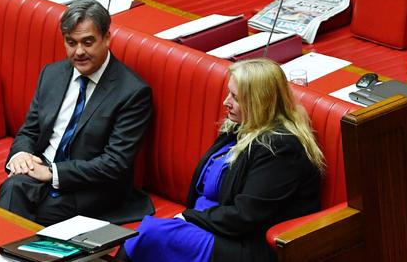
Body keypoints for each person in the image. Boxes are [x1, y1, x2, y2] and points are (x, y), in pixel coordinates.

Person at [120, 58, 325, 262]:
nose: (225, 101)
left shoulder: (280, 148)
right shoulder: (239, 127)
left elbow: (246, 215)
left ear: (258, 102)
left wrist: (189, 217)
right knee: (147, 235)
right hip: (214, 226)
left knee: (150, 233)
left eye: (235, 97)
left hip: (245, 244)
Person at [0, 0, 153, 226]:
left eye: (88, 42)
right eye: (71, 42)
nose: (79, 52)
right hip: (40, 174)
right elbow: (29, 132)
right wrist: (20, 157)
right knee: (13, 188)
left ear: (107, 38)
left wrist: (53, 173)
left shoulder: (132, 92)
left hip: (92, 189)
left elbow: (115, 164)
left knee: (30, 209)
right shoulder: (52, 74)